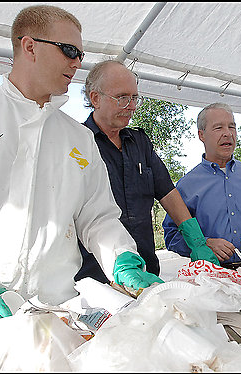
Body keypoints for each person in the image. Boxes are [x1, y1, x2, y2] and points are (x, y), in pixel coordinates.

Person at [0, 5, 162, 326]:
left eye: (80, 55)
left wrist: (121, 259)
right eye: (69, 51)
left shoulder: (79, 138)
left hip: (53, 316)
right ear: (29, 45)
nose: (77, 63)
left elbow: (98, 217)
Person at [75, 61, 219, 283]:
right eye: (122, 98)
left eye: (134, 98)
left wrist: (197, 241)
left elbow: (168, 193)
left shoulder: (139, 142)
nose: (131, 106)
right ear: (95, 98)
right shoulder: (77, 144)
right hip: (95, 272)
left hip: (145, 266)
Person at [162, 103, 241, 270]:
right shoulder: (186, 186)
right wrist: (204, 244)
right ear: (201, 135)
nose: (228, 133)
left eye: (232, 127)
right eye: (218, 128)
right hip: (211, 277)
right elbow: (172, 236)